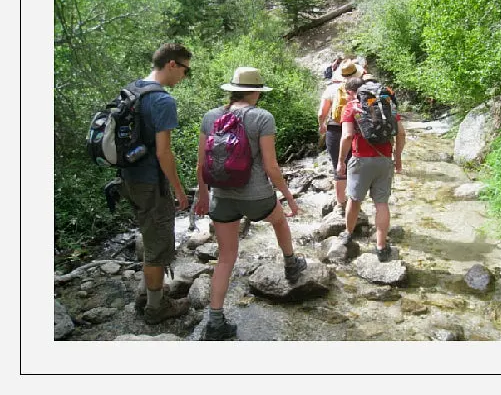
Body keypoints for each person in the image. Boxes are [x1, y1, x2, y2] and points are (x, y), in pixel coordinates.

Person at [194, 66, 307, 340]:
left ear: (232, 91)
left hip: (222, 197)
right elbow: (271, 167)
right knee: (279, 220)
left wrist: (204, 194)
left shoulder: (211, 117)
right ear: (255, 92)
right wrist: (288, 197)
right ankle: (291, 263)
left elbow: (201, 163)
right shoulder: (262, 117)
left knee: (226, 257)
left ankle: (215, 322)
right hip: (257, 196)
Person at [120, 43, 192, 324]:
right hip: (151, 182)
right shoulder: (162, 100)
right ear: (172, 64)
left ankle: (145, 294)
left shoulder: (133, 89)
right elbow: (164, 153)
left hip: (128, 179)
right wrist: (178, 189)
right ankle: (155, 308)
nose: (185, 76)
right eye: (186, 70)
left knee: (150, 237)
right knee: (158, 245)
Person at [336, 76, 406, 262]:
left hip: (360, 160)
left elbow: (347, 136)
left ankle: (348, 234)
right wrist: (398, 159)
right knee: (381, 203)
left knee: (355, 200)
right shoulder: (387, 106)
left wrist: (341, 161)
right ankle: (381, 247)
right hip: (385, 160)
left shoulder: (351, 107)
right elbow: (401, 133)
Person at [317, 60, 363, 214]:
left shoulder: (331, 88)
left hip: (335, 129)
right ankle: (355, 203)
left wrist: (321, 125)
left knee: (338, 165)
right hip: (356, 131)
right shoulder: (361, 88)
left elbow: (321, 113)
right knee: (355, 166)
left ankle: (340, 204)